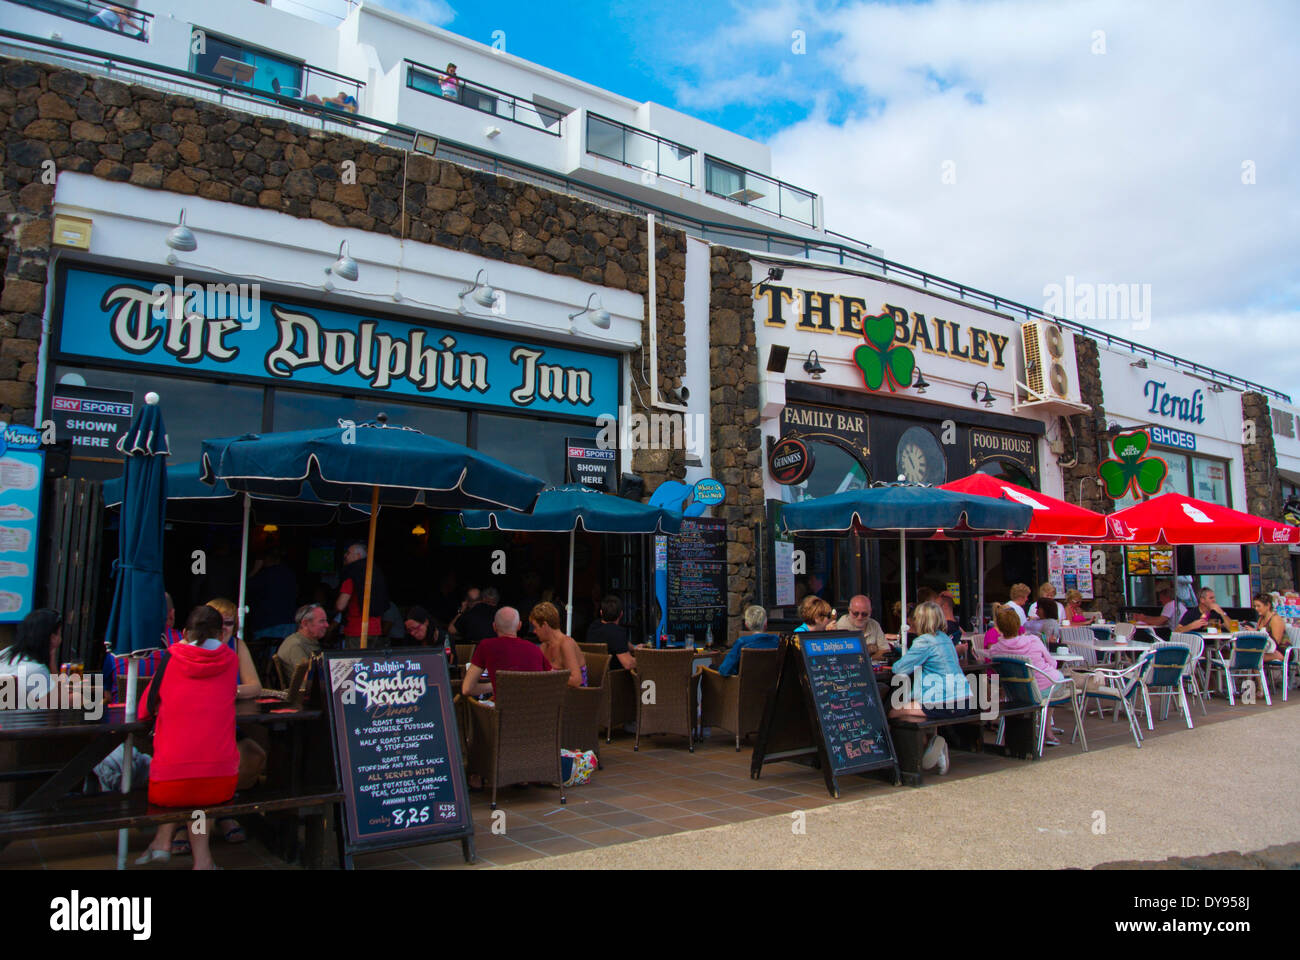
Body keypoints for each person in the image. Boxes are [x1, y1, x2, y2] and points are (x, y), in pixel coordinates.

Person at [134, 605, 237, 871]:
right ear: (220, 633)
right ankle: (201, 861)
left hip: (170, 780)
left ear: (183, 632)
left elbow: (143, 709)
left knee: (183, 779)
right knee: (199, 794)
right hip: (220, 777)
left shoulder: (171, 657)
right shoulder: (231, 660)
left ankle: (162, 843)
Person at [887, 601, 975, 775]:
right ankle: (932, 745)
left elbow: (899, 669)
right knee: (916, 712)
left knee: (893, 712)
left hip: (944, 702)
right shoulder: (945, 639)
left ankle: (909, 758)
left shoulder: (923, 642)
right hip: (964, 700)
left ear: (920, 621)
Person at [986, 604, 1065, 745]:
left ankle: (1039, 730)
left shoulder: (996, 649)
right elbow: (1053, 663)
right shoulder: (1033, 640)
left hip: (1015, 692)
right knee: (1055, 682)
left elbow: (988, 658)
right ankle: (1047, 731)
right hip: (1044, 688)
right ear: (1018, 624)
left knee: (1047, 687)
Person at [461, 607, 549, 699]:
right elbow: (552, 682)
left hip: (502, 712)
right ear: (519, 626)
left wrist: (496, 686)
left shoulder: (486, 646)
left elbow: (466, 689)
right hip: (535, 710)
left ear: (494, 627)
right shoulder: (535, 649)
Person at [205, 598, 262, 700]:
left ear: (234, 626)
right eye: (218, 622)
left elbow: (255, 687)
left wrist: (228, 691)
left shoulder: (237, 644)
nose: (223, 627)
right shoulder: (196, 645)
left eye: (228, 623)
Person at [336, 543, 388, 648]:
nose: (345, 556)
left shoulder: (352, 573)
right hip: (375, 628)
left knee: (356, 663)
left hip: (357, 629)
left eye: (348, 553)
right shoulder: (376, 572)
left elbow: (341, 605)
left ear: (358, 556)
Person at [246, 549, 299, 641]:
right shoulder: (289, 573)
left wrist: (255, 570)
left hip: (268, 623)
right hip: (288, 621)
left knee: (269, 654)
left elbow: (245, 587)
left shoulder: (264, 575)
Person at [1, 608, 60, 687]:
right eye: (60, 633)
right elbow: (59, 695)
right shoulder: (37, 670)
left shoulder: (5, 653)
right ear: (53, 638)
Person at [531, 602, 586, 687]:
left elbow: (576, 680)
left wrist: (550, 676)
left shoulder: (566, 644)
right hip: (553, 694)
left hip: (575, 695)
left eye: (535, 627)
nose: (534, 631)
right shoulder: (543, 646)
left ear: (544, 625)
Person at [717, 605, 779, 676]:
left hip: (744, 685)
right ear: (766, 623)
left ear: (746, 625)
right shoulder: (777, 640)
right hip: (770, 684)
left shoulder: (742, 642)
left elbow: (725, 670)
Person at [586, 594, 635, 671]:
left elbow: (617, 642)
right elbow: (628, 664)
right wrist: (643, 660)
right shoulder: (617, 632)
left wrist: (634, 648)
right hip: (615, 678)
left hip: (595, 676)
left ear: (601, 613)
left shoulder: (594, 626)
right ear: (621, 614)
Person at [276, 603, 328, 672]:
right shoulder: (296, 646)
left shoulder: (308, 642)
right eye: (322, 621)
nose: (327, 625)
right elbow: (307, 680)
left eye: (326, 621)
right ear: (305, 624)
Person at [1251, 593, 1290, 662]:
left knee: (1254, 659)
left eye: (1258, 606)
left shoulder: (1275, 619)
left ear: (1268, 606)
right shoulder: (1261, 619)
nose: (1256, 609)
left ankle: (1259, 673)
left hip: (1280, 651)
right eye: (1255, 606)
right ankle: (1259, 673)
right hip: (1266, 649)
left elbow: (1276, 641)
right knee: (1247, 656)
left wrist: (1256, 632)